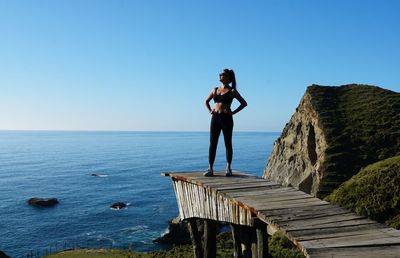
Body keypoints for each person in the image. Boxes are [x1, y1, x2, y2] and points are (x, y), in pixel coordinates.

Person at [204, 69, 247, 177]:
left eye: (223, 74)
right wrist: (210, 111)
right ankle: (210, 169)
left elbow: (244, 103)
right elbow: (206, 101)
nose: (220, 76)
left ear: (228, 77)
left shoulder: (232, 91)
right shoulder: (215, 90)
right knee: (212, 144)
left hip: (227, 118)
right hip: (215, 118)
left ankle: (228, 168)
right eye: (220, 74)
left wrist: (233, 112)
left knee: (228, 143)